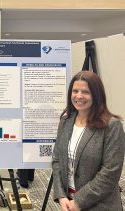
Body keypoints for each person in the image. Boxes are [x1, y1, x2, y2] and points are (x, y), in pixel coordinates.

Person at [52, 71, 125, 211]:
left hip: (100, 204)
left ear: (96, 95)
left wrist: (78, 202)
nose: (79, 96)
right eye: (75, 91)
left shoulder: (112, 126)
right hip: (68, 201)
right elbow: (57, 160)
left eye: (85, 92)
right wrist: (61, 196)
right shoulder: (65, 121)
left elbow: (110, 173)